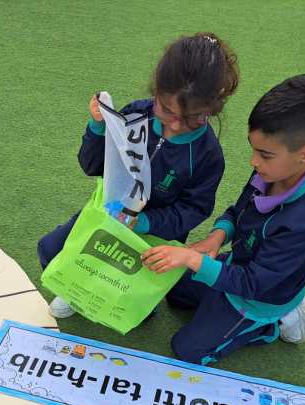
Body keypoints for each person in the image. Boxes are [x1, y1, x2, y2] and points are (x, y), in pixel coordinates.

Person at [37, 32, 240, 318]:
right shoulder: (135, 114)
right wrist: (98, 128)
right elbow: (92, 166)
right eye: (167, 110)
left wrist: (143, 222)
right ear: (156, 92)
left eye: (193, 117)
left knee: (136, 306)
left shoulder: (207, 154)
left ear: (212, 108)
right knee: (50, 249)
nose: (176, 124)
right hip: (108, 216)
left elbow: (193, 209)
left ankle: (127, 297)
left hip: (153, 237)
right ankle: (76, 292)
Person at [141, 74, 305, 365]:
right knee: (176, 293)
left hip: (257, 298)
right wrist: (217, 237)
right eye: (253, 149)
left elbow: (252, 284)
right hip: (241, 266)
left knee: (187, 350)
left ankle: (270, 325)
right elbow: (240, 210)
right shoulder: (274, 170)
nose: (254, 162)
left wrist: (193, 259)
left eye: (264, 155)